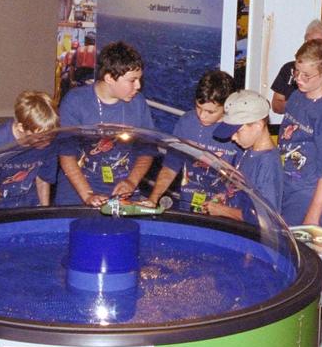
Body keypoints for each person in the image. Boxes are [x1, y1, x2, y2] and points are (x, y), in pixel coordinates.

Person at [56, 41, 155, 207]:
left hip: (121, 192)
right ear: (109, 78)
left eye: (139, 79)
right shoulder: (74, 101)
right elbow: (67, 155)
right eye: (132, 80)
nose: (138, 86)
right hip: (77, 194)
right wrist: (88, 195)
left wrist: (131, 182)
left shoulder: (138, 103)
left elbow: (147, 150)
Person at [277, 38, 322, 229]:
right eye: (296, 72)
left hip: (315, 199)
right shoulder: (296, 96)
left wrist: (313, 217)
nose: (299, 79)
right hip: (290, 191)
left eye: (306, 75)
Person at [146, 70, 238, 213]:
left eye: (210, 112)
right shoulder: (186, 122)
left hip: (223, 211)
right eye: (198, 108)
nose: (202, 116)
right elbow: (170, 166)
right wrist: (153, 198)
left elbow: (242, 181)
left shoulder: (238, 131)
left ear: (226, 108)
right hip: (188, 206)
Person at [0, 90, 58, 212]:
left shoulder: (47, 141)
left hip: (26, 203)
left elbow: (43, 179)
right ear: (21, 127)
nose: (47, 142)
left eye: (50, 137)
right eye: (40, 138)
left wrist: (44, 210)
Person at [204, 89, 283, 224]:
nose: (233, 138)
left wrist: (222, 210)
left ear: (257, 125)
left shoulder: (268, 163)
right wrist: (226, 196)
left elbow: (267, 218)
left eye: (238, 131)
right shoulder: (248, 150)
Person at [270, 19, 322, 115]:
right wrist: (296, 104)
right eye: (309, 43)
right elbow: (276, 105)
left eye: (318, 43)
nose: (299, 78)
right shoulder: (289, 68)